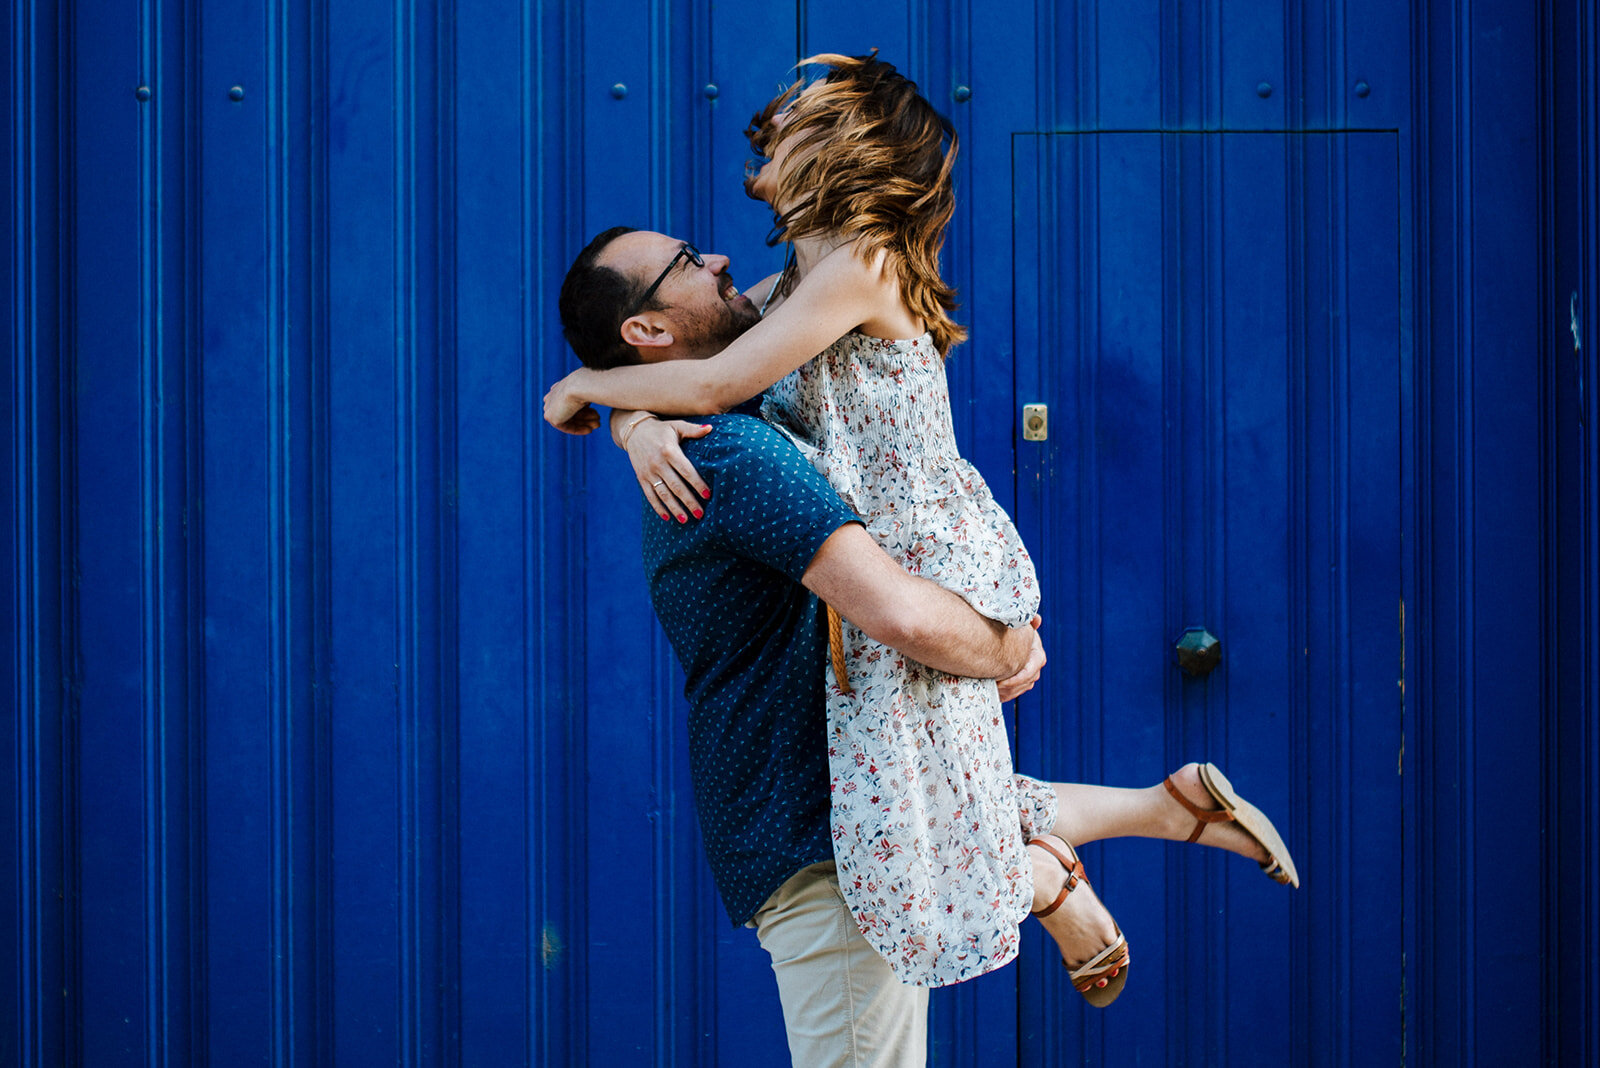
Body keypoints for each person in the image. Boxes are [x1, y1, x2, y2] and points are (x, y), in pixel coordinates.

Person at [553, 222, 1300, 1050]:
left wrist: (617, 406)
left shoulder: (731, 415)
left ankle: (1090, 846)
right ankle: (1055, 863)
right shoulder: (725, 451)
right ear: (648, 330)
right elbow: (899, 613)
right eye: (690, 263)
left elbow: (742, 343)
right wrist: (1007, 649)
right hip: (824, 842)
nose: (722, 258)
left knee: (952, 804)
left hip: (834, 829)